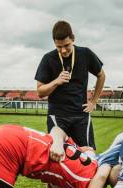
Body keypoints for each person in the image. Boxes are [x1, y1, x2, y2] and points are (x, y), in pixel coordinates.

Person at [35, 20, 105, 149]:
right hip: (57, 116)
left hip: (81, 114)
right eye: (58, 47)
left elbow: (101, 75)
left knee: (88, 155)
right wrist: (56, 81)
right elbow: (40, 92)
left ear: (73, 39)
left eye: (66, 45)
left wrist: (93, 101)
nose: (63, 50)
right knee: (57, 155)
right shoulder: (48, 59)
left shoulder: (85, 54)